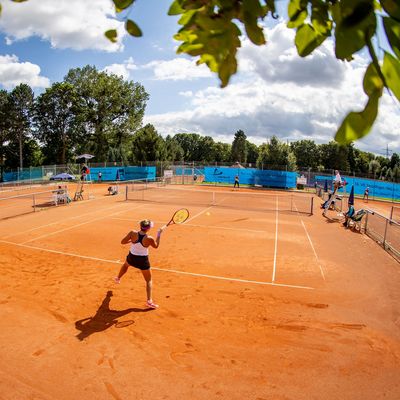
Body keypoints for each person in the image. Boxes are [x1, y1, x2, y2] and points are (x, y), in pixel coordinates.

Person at [114, 220, 164, 309]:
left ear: (140, 226)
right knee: (148, 280)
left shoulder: (132, 233)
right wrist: (159, 234)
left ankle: (118, 278)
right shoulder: (149, 238)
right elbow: (156, 246)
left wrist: (131, 241)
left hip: (132, 257)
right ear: (148, 229)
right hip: (142, 261)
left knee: (126, 265)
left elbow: (123, 242)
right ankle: (149, 301)